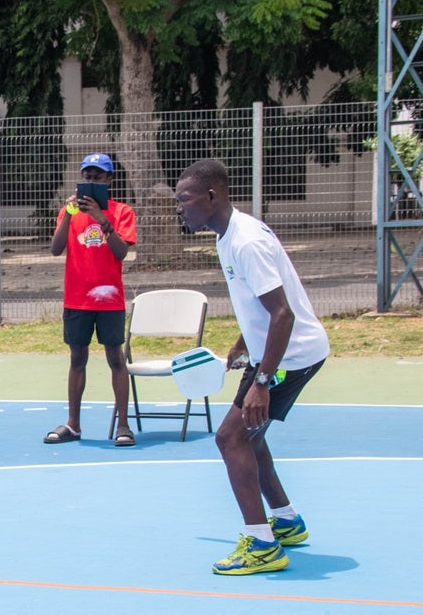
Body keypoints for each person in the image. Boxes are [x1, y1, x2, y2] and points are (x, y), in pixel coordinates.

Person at [174, 159, 330, 575]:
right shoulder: (228, 235)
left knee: (230, 439)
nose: (180, 208)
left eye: (184, 199)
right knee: (250, 436)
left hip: (288, 357)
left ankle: (263, 545)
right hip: (273, 353)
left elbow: (282, 315)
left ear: (212, 196)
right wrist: (243, 342)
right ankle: (286, 520)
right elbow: (263, 307)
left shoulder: (244, 242)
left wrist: (261, 382)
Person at [44, 153, 138, 447]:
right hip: (77, 298)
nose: (91, 181)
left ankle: (123, 426)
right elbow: (56, 249)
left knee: (115, 358)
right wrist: (70, 215)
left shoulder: (122, 212)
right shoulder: (68, 212)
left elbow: (121, 252)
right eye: (87, 176)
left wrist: (101, 219)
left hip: (109, 299)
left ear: (109, 180)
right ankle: (73, 425)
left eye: (98, 177)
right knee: (77, 358)